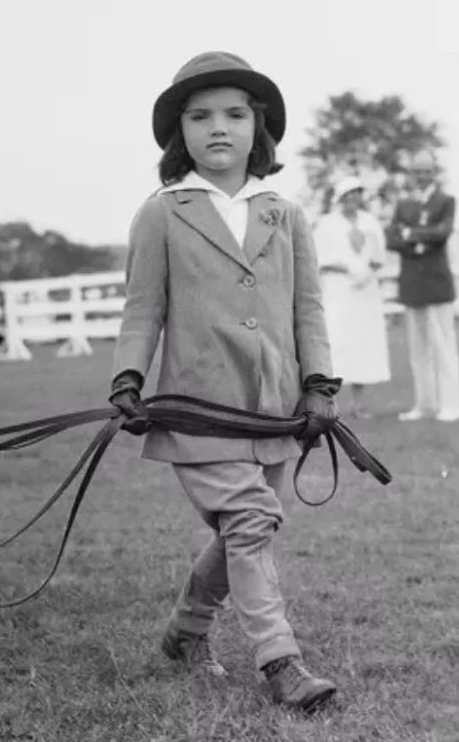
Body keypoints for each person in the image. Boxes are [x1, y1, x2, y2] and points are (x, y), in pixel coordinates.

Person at [108, 51, 341, 713]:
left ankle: (185, 632)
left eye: (235, 115)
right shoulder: (162, 213)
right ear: (178, 132)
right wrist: (128, 375)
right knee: (251, 517)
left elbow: (308, 307)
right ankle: (282, 663)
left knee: (245, 529)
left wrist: (320, 382)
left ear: (257, 129)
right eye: (201, 116)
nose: (219, 128)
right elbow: (142, 306)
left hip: (273, 407)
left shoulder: (284, 214)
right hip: (196, 406)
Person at [384, 151, 459, 422]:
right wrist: (418, 240)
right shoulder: (403, 204)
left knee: (443, 346)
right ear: (411, 174)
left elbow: (442, 233)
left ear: (434, 172)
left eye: (426, 171)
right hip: (412, 283)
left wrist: (410, 234)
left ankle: (451, 405)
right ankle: (425, 404)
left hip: (437, 282)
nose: (421, 176)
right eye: (417, 171)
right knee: (418, 350)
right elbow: (392, 239)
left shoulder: (446, 201)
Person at [313, 176, 391, 417]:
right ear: (340, 198)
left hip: (365, 292)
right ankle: (328, 405)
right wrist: (347, 270)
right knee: (337, 343)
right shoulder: (327, 223)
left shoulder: (370, 222)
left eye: (356, 194)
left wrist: (367, 273)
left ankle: (359, 404)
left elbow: (379, 256)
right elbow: (319, 260)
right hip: (339, 290)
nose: (352, 199)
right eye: (347, 195)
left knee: (363, 345)